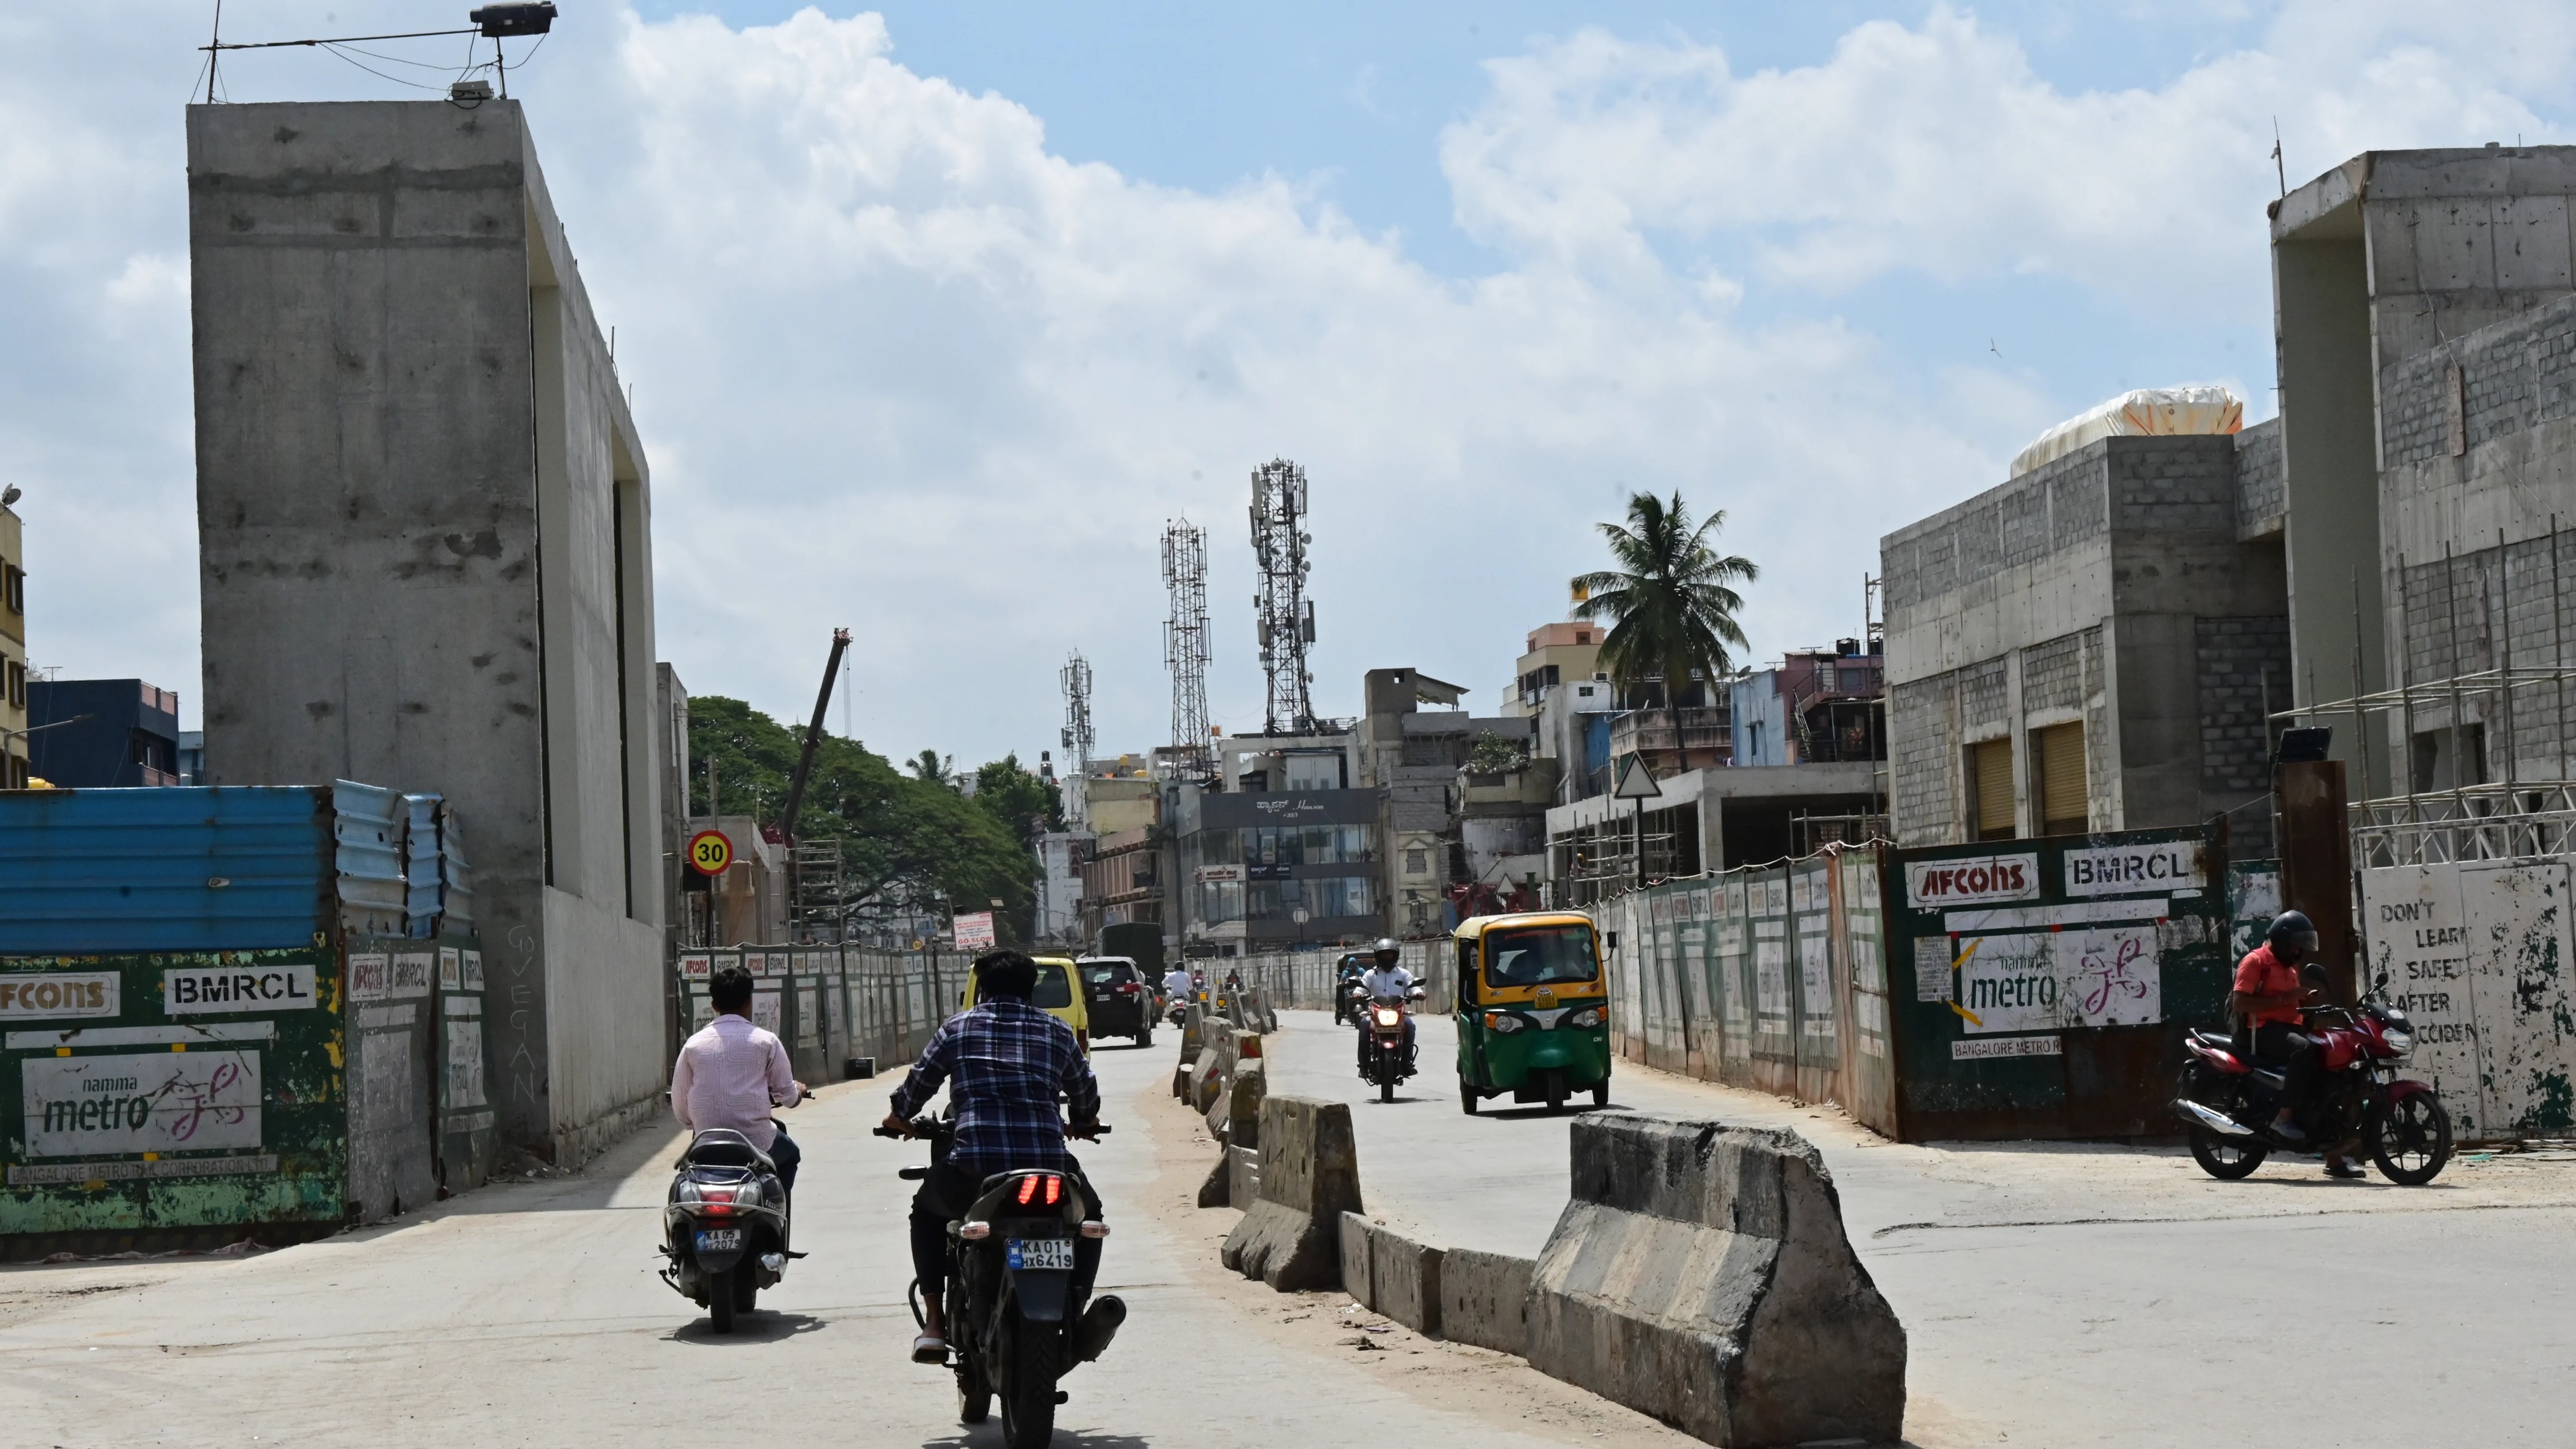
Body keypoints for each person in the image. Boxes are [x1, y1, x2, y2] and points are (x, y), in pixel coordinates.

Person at [884, 950, 1122, 1365]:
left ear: (981, 988)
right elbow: (1085, 1092)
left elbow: (918, 1084)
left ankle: (935, 1324)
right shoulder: (1057, 1031)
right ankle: (1079, 1305)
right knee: (1090, 1219)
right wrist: (1083, 1121)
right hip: (1049, 1169)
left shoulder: (957, 1029)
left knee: (925, 1213)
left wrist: (898, 1116)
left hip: (975, 1171)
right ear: (1031, 989)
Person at [2232, 910, 2356, 1175]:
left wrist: (2304, 1001)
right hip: (2263, 1031)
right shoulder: (2255, 961)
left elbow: (2291, 1002)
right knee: (2304, 1049)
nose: (2298, 950)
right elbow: (2240, 1003)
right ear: (2280, 939)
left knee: (2329, 1064)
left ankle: (2332, 1155)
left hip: (2290, 1027)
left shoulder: (2290, 967)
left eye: (2301, 945)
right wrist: (2287, 999)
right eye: (2294, 945)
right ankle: (2284, 1117)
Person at [671, 966, 806, 1190]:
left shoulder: (693, 1045)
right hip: (757, 1143)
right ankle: (778, 1214)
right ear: (749, 1001)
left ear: (714, 1005)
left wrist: (696, 1122)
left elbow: (681, 1106)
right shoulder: (766, 1042)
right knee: (791, 1155)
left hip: (705, 1143)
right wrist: (799, 1091)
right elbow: (789, 1098)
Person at [1355, 938, 1416, 1073]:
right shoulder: (1370, 974)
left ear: (1395, 955)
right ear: (1378, 955)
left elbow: (1413, 987)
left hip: (1398, 1013)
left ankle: (1407, 1063)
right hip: (1375, 1014)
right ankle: (1364, 1065)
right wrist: (1358, 993)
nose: (1387, 957)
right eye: (1384, 954)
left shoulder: (1403, 974)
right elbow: (1361, 987)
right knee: (1364, 1025)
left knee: (1410, 1026)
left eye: (1389, 954)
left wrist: (1418, 993)